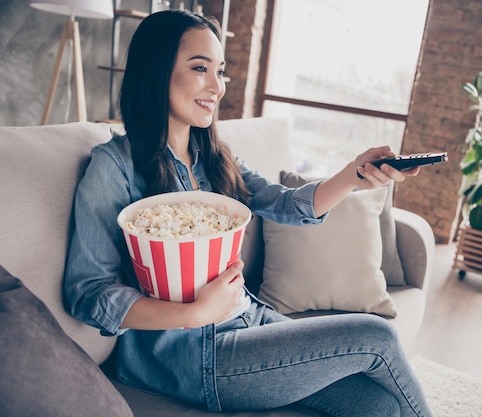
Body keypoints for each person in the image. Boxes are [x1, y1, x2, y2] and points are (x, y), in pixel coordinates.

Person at [64, 9, 434, 417]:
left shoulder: (214, 158)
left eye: (220, 71)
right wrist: (196, 312)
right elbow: (88, 294)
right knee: (376, 335)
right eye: (200, 67)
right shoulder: (113, 166)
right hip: (192, 356)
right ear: (157, 70)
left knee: (378, 405)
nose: (216, 86)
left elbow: (285, 203)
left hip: (251, 320)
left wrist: (353, 176)